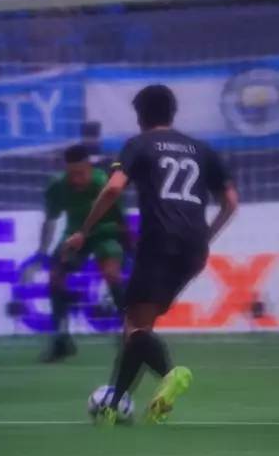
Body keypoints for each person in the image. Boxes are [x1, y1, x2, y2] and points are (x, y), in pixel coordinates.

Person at [63, 84, 239, 423]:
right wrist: (205, 236)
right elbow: (231, 201)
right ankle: (114, 404)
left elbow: (114, 188)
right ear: (172, 112)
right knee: (139, 327)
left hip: (159, 241)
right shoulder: (202, 148)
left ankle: (170, 374)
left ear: (141, 116)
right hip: (194, 248)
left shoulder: (139, 144)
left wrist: (84, 230)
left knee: (134, 327)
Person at [34, 143, 132, 362]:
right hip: (75, 234)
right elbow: (50, 219)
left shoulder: (103, 182)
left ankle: (131, 334)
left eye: (81, 173)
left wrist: (130, 248)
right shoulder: (57, 186)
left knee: (111, 273)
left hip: (105, 231)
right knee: (55, 275)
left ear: (89, 167)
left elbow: (121, 219)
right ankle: (61, 339)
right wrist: (42, 251)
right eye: (72, 174)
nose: (77, 179)